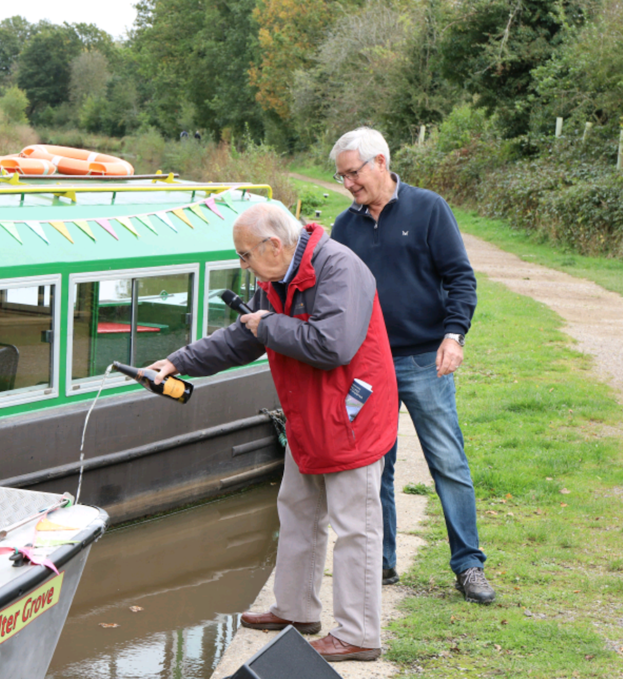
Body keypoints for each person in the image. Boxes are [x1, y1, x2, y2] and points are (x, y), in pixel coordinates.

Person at [148, 203, 398, 662]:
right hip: (309, 414)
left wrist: (272, 325)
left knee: (356, 528)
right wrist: (179, 361)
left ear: (274, 245)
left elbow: (333, 345)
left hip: (349, 415)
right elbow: (246, 337)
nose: (244, 266)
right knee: (297, 511)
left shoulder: (341, 268)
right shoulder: (278, 277)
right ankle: (295, 610)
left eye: (245, 255)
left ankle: (359, 635)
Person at [329, 127, 496, 604]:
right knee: (373, 467)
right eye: (342, 178)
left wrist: (453, 335)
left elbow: (460, 277)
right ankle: (380, 564)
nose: (349, 185)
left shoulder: (428, 208)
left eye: (354, 174)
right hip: (369, 367)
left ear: (380, 162)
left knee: (448, 462)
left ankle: (468, 566)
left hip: (426, 360)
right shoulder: (346, 226)